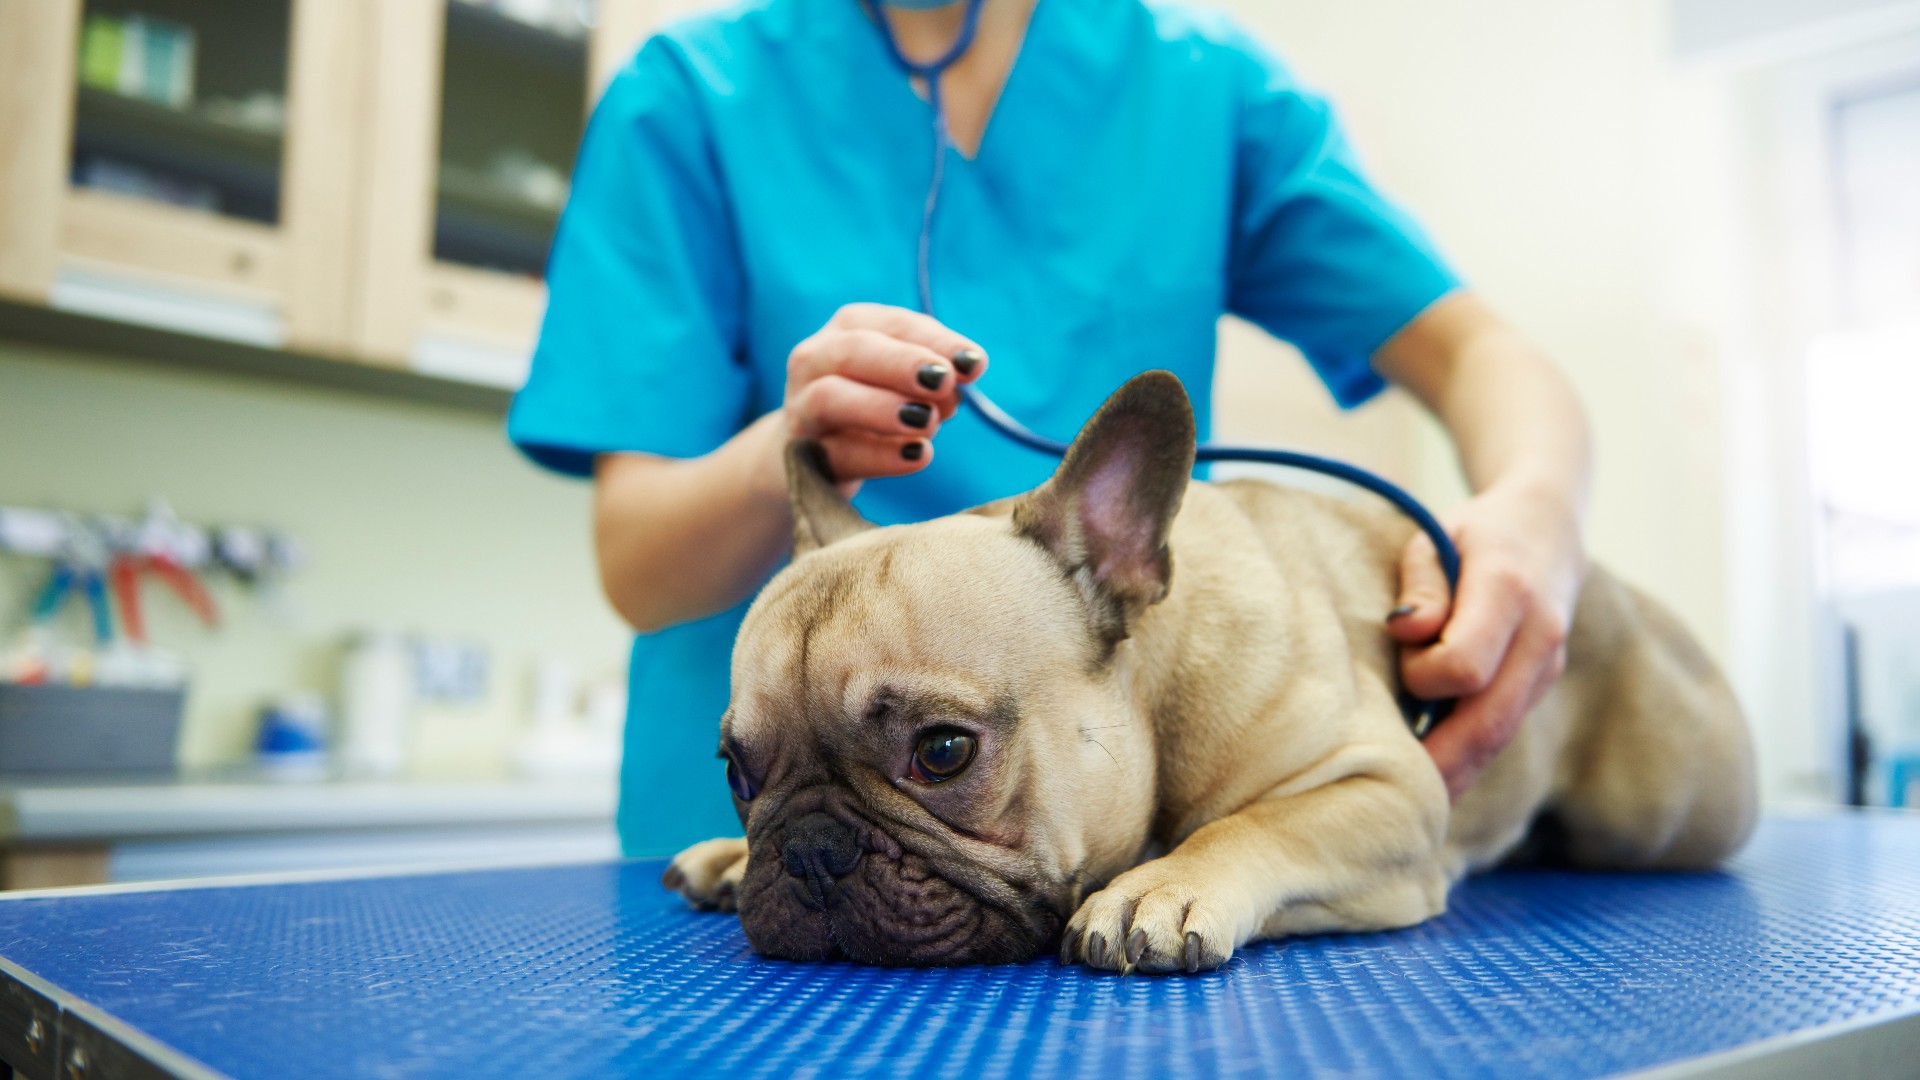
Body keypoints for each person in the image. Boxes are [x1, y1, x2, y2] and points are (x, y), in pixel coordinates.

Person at [508, 0, 1591, 855]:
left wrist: (1538, 508)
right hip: (760, 863)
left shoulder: (1205, 89)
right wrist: (781, 450)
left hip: (1110, 849)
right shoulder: (695, 94)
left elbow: (1481, 354)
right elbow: (638, 569)